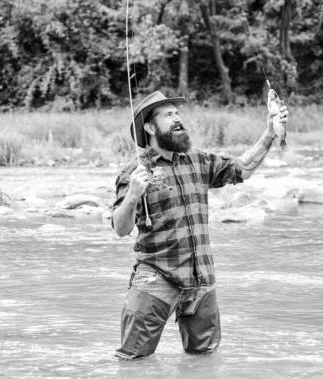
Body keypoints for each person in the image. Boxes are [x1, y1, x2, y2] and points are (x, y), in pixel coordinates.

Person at [111, 90, 288, 360]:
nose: (177, 118)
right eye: (168, 115)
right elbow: (120, 228)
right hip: (156, 278)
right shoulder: (134, 172)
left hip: (201, 280)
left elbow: (242, 169)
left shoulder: (197, 159)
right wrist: (133, 196)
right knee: (133, 363)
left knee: (204, 362)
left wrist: (270, 133)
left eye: (178, 113)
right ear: (149, 126)